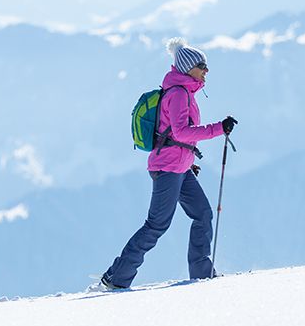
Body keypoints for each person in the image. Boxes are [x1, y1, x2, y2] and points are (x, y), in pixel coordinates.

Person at [96, 39, 237, 290]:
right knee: (157, 224)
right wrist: (218, 129)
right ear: (187, 68)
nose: (206, 70)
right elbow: (182, 132)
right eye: (202, 65)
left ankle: (202, 274)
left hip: (179, 168)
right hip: (168, 168)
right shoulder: (178, 94)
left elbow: (173, 135)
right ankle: (116, 277)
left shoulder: (185, 92)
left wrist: (188, 161)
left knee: (203, 214)